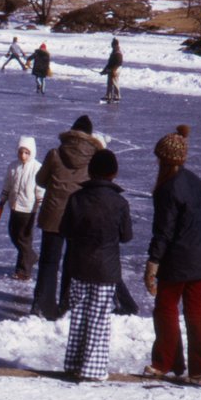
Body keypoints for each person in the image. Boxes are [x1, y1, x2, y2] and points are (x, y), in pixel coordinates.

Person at [144, 125, 201, 385]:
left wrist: (153, 263)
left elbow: (164, 231)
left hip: (179, 259)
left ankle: (164, 362)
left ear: (164, 160)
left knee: (165, 307)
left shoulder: (167, 189)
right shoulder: (195, 181)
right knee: (195, 309)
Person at [61, 149, 132, 382]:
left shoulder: (76, 198)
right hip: (106, 268)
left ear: (90, 172)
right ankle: (92, 368)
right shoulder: (120, 203)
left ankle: (73, 363)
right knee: (99, 316)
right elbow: (126, 236)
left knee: (79, 313)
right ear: (114, 173)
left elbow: (65, 230)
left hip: (79, 266)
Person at [30, 116, 102, 319]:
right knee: (72, 263)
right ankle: (66, 305)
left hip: (53, 213)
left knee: (48, 262)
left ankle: (41, 305)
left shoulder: (55, 153)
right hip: (79, 217)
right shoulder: (94, 157)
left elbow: (40, 180)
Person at [0, 135, 44, 282]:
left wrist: (41, 206)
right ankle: (30, 257)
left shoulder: (37, 168)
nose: (23, 155)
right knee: (14, 234)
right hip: (14, 206)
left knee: (24, 239)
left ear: (32, 152)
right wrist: (2, 200)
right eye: (21, 152)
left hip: (29, 209)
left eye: (27, 152)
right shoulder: (13, 166)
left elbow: (40, 189)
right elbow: (8, 184)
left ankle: (24, 270)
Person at [101, 38, 123, 103]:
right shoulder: (113, 52)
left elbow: (119, 63)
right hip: (111, 69)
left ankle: (117, 97)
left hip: (116, 69)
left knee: (115, 82)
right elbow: (110, 63)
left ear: (115, 44)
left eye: (113, 44)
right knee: (109, 83)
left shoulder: (118, 53)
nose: (112, 46)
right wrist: (104, 70)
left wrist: (113, 70)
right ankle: (108, 96)